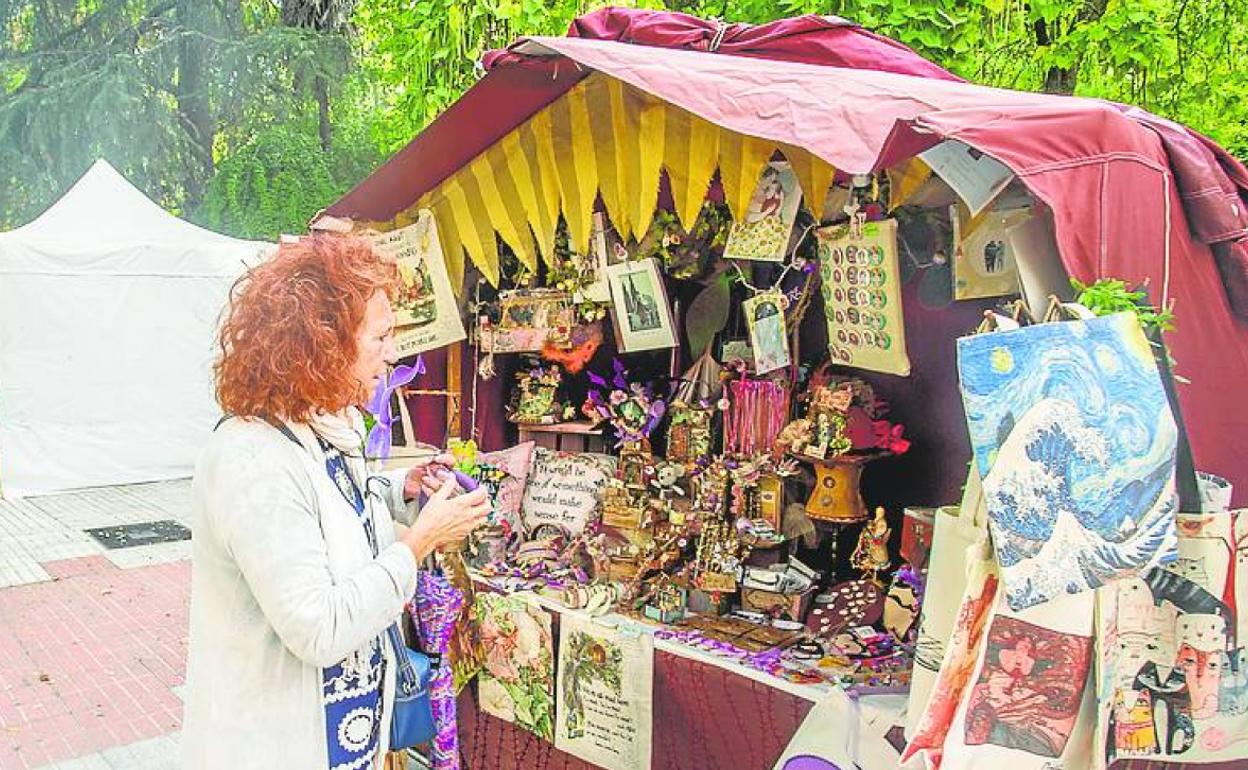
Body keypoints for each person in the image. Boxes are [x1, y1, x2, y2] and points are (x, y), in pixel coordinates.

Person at [181, 235, 490, 769]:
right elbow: (319, 628)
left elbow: (331, 513)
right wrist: (418, 545)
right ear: (321, 344)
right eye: (382, 336)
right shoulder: (251, 461)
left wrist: (404, 489)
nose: (394, 353)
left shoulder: (319, 428)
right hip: (275, 747)